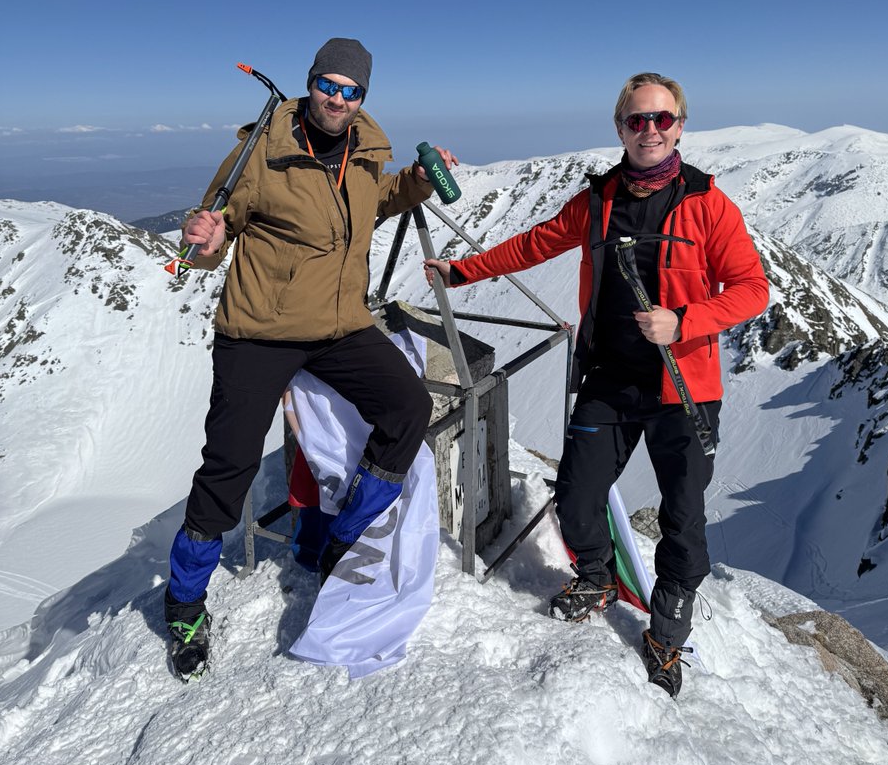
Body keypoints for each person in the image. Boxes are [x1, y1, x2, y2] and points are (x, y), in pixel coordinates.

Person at [425, 72, 768, 697]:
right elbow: (536, 243)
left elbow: (752, 289)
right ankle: (597, 576)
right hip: (610, 378)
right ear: (620, 128)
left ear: (680, 126)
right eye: (638, 120)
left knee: (683, 518)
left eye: (662, 119)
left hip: (683, 388)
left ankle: (666, 633)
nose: (650, 130)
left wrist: (683, 320)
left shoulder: (708, 204)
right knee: (577, 498)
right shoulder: (599, 199)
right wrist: (462, 271)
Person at [165, 37, 457, 680]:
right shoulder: (261, 149)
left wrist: (414, 183)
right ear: (310, 82)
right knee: (230, 465)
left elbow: (373, 202)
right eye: (329, 84)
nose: (338, 98)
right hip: (258, 332)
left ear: (362, 97)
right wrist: (204, 241)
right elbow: (214, 227)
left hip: (337, 327)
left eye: (352, 91)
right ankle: (184, 600)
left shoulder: (364, 151)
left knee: (408, 406)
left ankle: (342, 536)